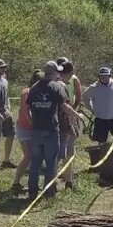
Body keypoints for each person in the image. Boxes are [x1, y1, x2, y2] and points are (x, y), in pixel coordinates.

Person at [18, 61, 79, 200]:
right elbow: (64, 107)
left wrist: (32, 122)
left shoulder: (33, 88)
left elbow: (26, 108)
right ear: (54, 73)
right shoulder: (56, 87)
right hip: (51, 131)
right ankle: (49, 191)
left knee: (35, 162)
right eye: (58, 72)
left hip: (36, 131)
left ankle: (32, 191)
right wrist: (77, 115)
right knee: (51, 162)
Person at [55, 57, 84, 189]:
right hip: (64, 120)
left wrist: (75, 110)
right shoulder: (59, 85)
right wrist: (75, 114)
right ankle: (64, 181)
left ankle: (66, 180)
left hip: (62, 119)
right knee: (65, 151)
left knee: (63, 151)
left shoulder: (71, 80)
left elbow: (78, 96)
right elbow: (64, 106)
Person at [86, 66, 113, 144]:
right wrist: (90, 108)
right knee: (100, 141)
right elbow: (85, 97)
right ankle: (101, 155)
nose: (104, 78)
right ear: (99, 77)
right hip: (100, 118)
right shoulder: (93, 87)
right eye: (102, 76)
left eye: (106, 76)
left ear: (109, 76)